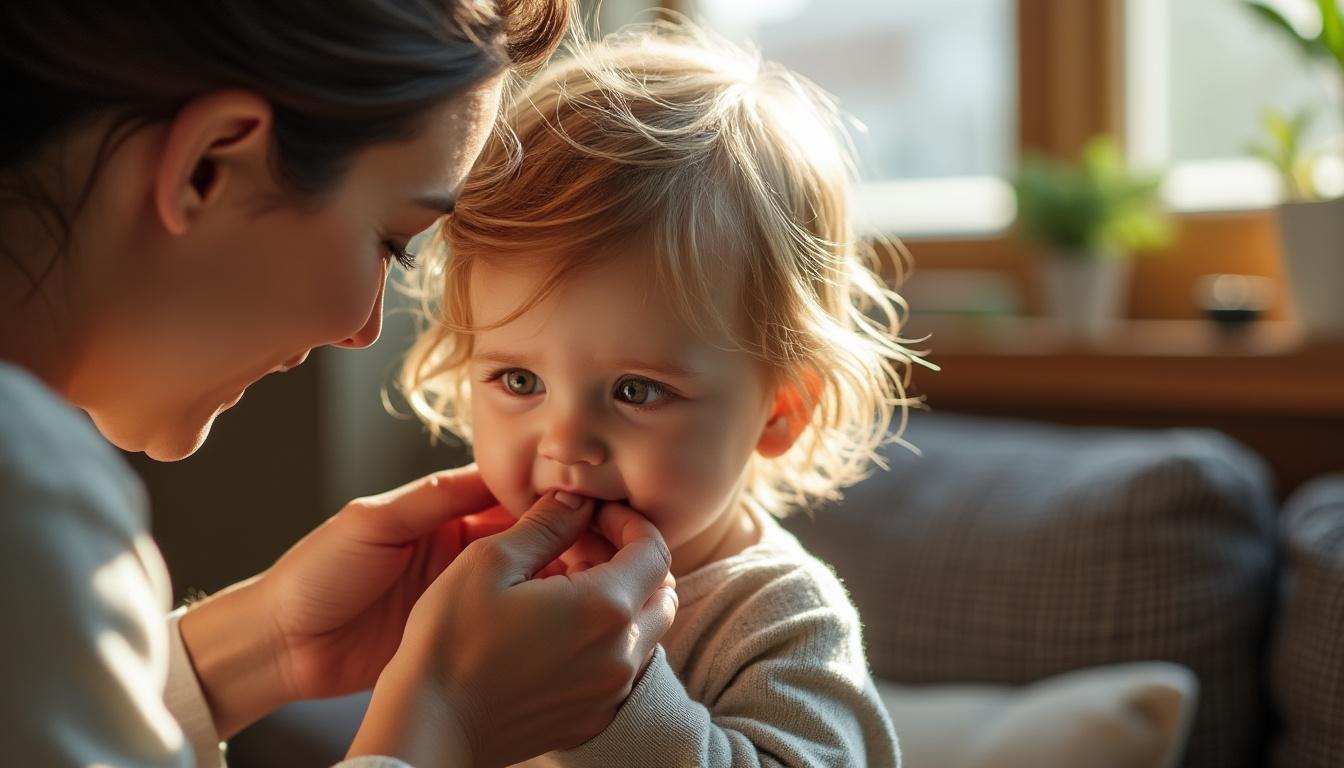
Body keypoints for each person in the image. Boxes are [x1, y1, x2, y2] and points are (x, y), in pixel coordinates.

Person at [0, 2, 678, 767]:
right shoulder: (24, 496)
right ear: (208, 167)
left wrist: (264, 645)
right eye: (392, 242)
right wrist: (445, 724)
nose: (363, 329)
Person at [400, 20, 918, 766]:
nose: (565, 441)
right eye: (520, 381)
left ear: (780, 409)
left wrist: (611, 699)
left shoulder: (779, 616)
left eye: (636, 390)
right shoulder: (483, 575)